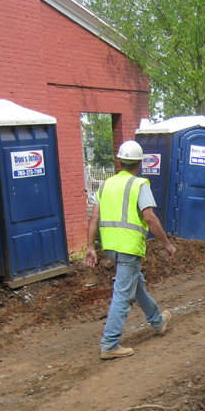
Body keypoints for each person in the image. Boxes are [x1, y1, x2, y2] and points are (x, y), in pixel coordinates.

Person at [86, 140, 176, 360]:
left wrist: (90, 247)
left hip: (110, 247)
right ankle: (109, 344)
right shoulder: (139, 184)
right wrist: (166, 243)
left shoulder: (106, 185)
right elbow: (149, 217)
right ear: (139, 164)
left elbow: (94, 217)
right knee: (122, 295)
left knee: (136, 287)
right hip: (128, 247)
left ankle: (157, 321)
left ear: (119, 161)